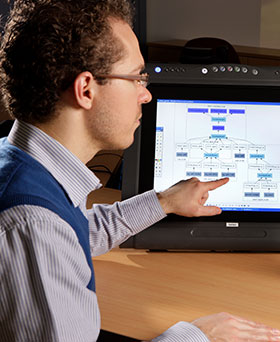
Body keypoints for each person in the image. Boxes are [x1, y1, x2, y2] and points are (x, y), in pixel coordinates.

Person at [0, 1, 279, 341]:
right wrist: (196, 334)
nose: (146, 95)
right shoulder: (33, 225)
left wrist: (164, 201)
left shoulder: (18, 165)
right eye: (136, 78)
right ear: (86, 89)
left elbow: (73, 236)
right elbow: (46, 234)